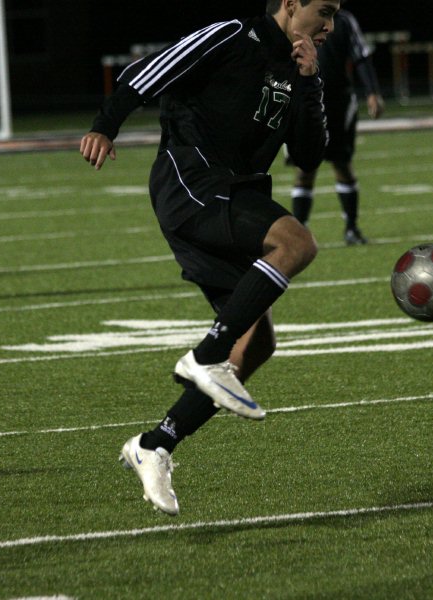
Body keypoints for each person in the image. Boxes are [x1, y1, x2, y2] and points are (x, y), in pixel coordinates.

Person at [80, 0, 339, 515]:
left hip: (234, 194)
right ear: (289, 5)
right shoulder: (231, 35)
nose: (329, 26)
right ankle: (202, 358)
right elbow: (147, 72)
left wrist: (310, 81)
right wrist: (105, 125)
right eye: (323, 12)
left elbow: (309, 157)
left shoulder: (296, 69)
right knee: (296, 243)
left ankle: (156, 444)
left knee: (257, 343)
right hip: (190, 182)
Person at [289, 4, 385, 245]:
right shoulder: (297, 20)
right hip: (303, 100)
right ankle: (297, 234)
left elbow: (361, 56)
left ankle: (351, 229)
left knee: (342, 164)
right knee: (304, 169)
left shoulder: (343, 21)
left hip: (338, 102)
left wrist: (372, 91)